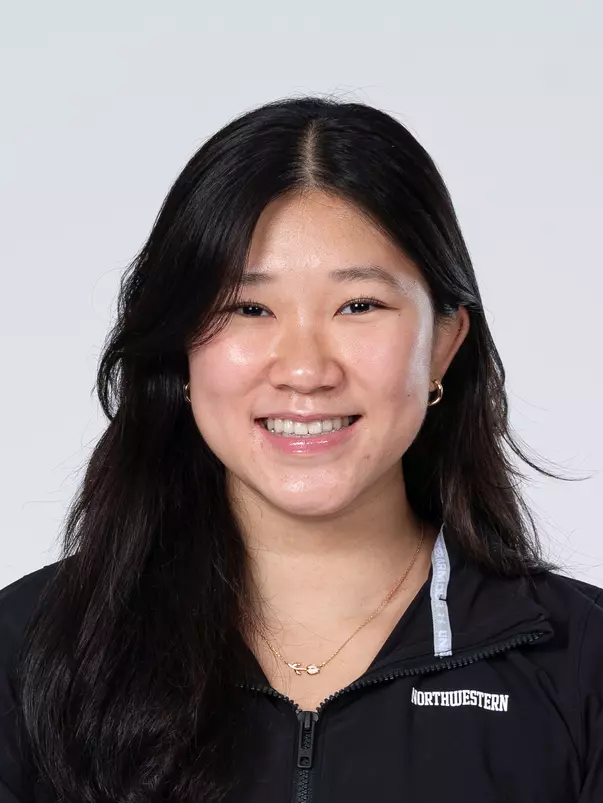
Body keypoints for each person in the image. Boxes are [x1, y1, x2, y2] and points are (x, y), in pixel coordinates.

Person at [0, 95, 601, 803]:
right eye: (248, 308)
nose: (306, 370)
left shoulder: (580, 664)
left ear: (443, 344)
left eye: (359, 306)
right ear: (178, 346)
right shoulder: (27, 652)